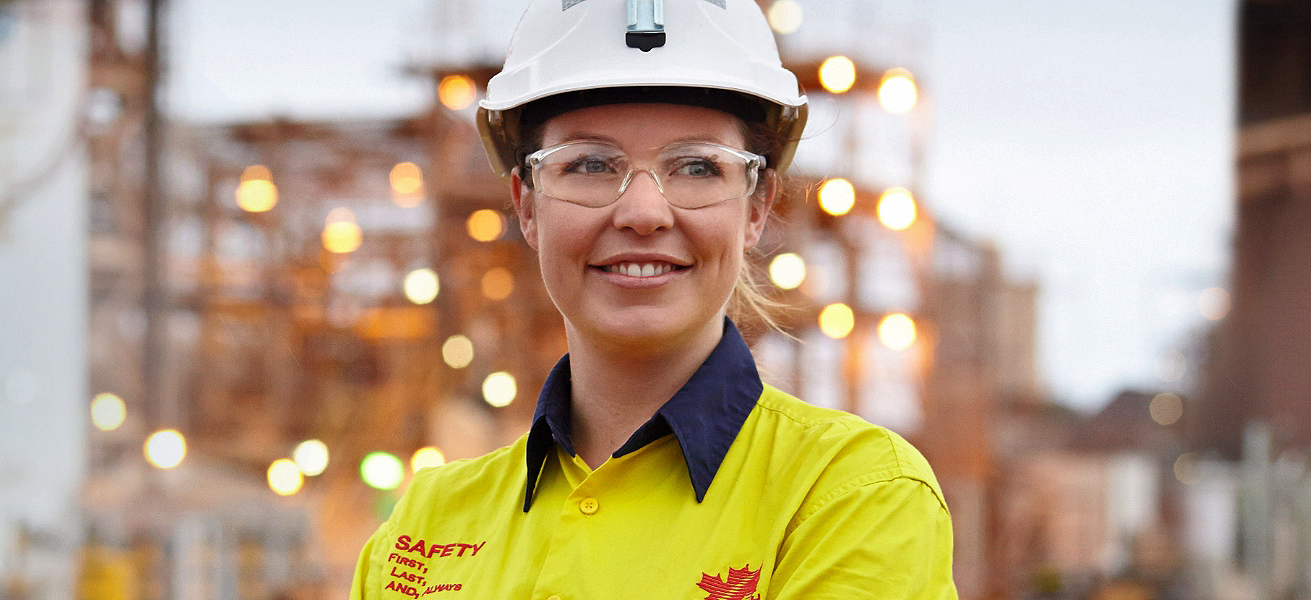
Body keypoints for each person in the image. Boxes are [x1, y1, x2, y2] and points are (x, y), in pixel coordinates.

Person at [350, 0, 956, 598]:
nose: (643, 212)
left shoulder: (851, 497)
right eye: (588, 164)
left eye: (696, 167)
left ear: (758, 205)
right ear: (527, 204)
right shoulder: (421, 530)